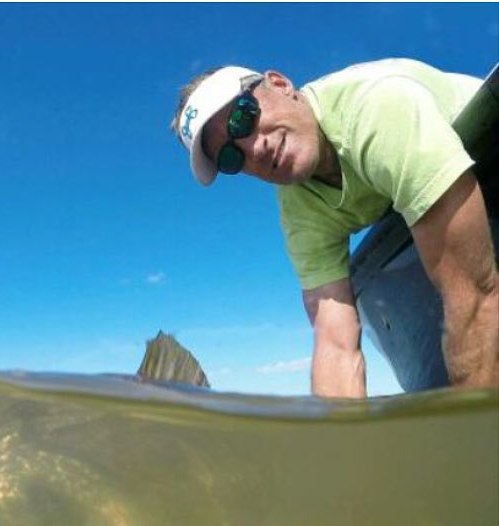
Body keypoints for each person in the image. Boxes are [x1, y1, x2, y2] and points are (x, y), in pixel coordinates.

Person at [171, 58, 499, 397]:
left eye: (243, 118)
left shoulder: (378, 110)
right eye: (230, 157)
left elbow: (475, 295)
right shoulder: (298, 209)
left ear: (281, 84)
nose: (254, 148)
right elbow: (335, 346)